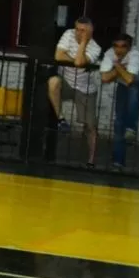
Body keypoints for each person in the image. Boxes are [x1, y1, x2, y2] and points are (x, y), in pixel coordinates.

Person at [48, 17, 102, 168]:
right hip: (66, 82)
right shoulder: (69, 34)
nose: (79, 33)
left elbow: (79, 63)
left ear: (91, 31)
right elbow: (58, 56)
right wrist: (77, 60)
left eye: (83, 31)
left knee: (90, 126)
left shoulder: (95, 48)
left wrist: (83, 42)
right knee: (53, 82)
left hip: (85, 89)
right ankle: (61, 119)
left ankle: (91, 159)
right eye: (77, 29)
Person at [100, 33, 139, 170]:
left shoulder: (135, 54)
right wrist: (120, 68)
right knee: (118, 122)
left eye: (123, 46)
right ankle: (118, 160)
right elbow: (104, 78)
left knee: (133, 87)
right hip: (124, 85)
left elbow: (130, 79)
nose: (119, 50)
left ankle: (131, 127)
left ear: (129, 47)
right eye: (116, 46)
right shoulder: (110, 54)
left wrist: (116, 67)